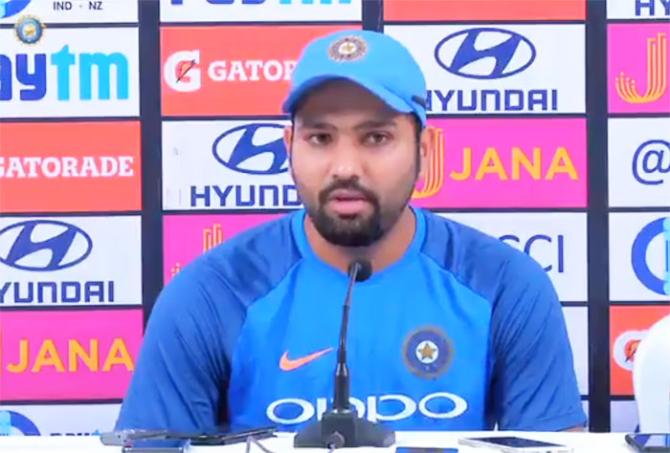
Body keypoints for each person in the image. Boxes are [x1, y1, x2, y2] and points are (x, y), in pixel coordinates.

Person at [115, 29, 586, 434]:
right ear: (289, 146)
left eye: (376, 138)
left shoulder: (505, 286)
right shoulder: (212, 294)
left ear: (425, 147)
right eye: (320, 138)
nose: (345, 167)